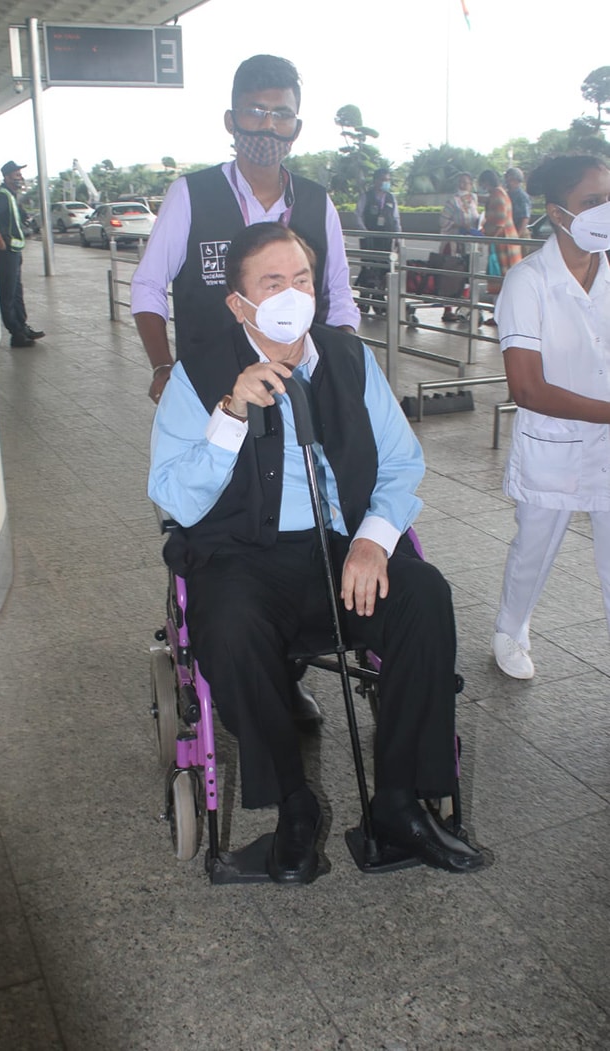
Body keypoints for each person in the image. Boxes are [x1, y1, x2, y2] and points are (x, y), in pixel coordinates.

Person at [149, 222, 484, 884]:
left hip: (342, 553)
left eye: (301, 279)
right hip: (242, 556)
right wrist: (230, 415)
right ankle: (294, 812)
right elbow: (176, 498)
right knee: (232, 624)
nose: (291, 294)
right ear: (238, 304)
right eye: (272, 283)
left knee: (424, 596)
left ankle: (399, 804)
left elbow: (400, 462)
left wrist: (372, 540)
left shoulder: (351, 358)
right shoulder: (196, 376)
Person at [131, 54, 359, 403]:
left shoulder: (316, 202)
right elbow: (149, 284)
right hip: (208, 382)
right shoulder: (191, 194)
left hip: (299, 387)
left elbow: (338, 293)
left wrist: (343, 361)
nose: (268, 126)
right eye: (255, 111)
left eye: (282, 114)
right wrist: (162, 366)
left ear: (296, 127)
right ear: (231, 120)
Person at [491, 155, 610, 680]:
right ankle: (510, 629)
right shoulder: (528, 281)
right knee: (534, 549)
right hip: (555, 444)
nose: (605, 210)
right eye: (592, 202)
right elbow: (527, 386)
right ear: (558, 213)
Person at [0, 161, 44, 348]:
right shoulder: (3, 196)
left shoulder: (11, 195)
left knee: (17, 292)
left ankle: (22, 327)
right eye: (16, 174)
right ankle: (16, 333)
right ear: (7, 177)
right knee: (8, 293)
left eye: (20, 174)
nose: (20, 177)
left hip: (15, 249)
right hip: (6, 251)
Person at [478, 169, 523, 325]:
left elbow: (499, 221)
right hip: (504, 242)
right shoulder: (500, 193)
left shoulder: (497, 195)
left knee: (502, 279)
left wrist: (488, 237)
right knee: (503, 279)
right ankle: (502, 314)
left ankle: (501, 316)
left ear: (486, 182)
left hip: (503, 245)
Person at [354, 168, 401, 315]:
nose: (384, 183)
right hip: (369, 239)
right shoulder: (366, 197)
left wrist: (398, 237)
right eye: (382, 179)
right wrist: (365, 232)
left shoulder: (391, 198)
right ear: (375, 181)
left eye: (387, 180)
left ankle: (379, 297)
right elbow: (358, 215)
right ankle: (364, 297)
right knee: (368, 267)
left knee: (384, 269)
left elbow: (396, 219)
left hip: (386, 239)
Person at [439, 171, 480, 322]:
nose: (464, 185)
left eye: (467, 182)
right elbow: (443, 221)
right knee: (451, 275)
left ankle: (464, 306)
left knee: (469, 275)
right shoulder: (452, 201)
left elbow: (476, 218)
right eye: (461, 182)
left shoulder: (474, 199)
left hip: (470, 243)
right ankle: (447, 309)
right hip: (454, 243)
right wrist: (458, 225)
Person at [504, 167, 532, 239]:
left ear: (516, 180)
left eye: (509, 178)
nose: (506, 181)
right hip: (509, 232)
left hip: (519, 233)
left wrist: (517, 237)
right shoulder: (507, 194)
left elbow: (525, 218)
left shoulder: (522, 196)